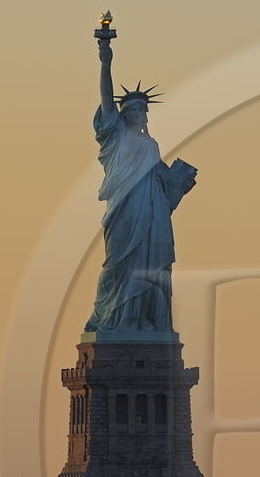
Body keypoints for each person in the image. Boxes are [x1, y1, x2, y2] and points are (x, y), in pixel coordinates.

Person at [85, 35, 198, 335]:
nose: (138, 114)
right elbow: (106, 99)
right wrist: (106, 61)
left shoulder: (151, 145)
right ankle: (109, 318)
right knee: (117, 264)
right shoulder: (115, 137)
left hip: (153, 211)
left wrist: (180, 182)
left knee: (150, 266)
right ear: (122, 115)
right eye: (132, 110)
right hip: (125, 207)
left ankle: (145, 320)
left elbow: (164, 181)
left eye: (142, 110)